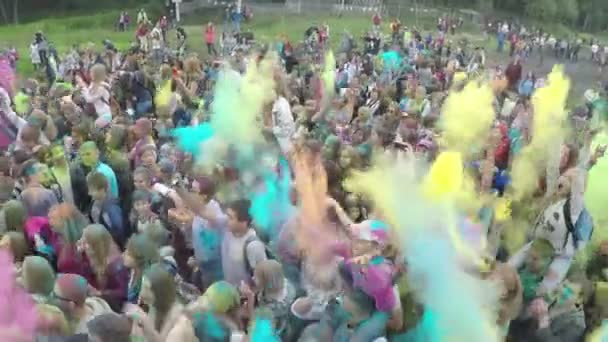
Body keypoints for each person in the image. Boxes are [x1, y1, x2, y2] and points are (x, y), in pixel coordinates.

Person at [124, 263, 183, 341]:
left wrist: (145, 321)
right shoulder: (154, 306)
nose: (142, 293)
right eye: (143, 286)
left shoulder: (176, 313)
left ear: (160, 292)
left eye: (147, 288)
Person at [80, 224, 129, 311]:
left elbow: (122, 293)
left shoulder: (115, 265)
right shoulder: (93, 255)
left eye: (86, 242)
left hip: (114, 307)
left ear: (96, 244)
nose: (83, 245)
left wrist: (100, 293)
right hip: (102, 301)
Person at [86, 172, 126, 248]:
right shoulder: (94, 203)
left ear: (102, 190)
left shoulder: (111, 207)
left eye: (92, 190)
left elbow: (118, 229)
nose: (89, 193)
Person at [123, 233, 160, 303]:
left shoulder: (147, 284)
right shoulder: (132, 271)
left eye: (128, 254)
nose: (123, 254)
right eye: (125, 250)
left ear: (140, 258)